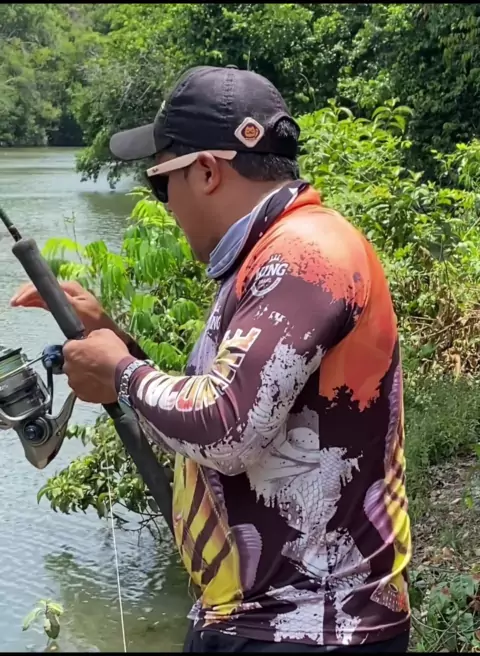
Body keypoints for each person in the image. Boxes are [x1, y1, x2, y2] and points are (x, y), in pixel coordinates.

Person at [11, 66, 412, 653]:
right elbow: (208, 424)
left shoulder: (306, 255)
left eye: (160, 182)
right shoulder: (265, 257)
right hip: (261, 619)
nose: (166, 205)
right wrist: (114, 342)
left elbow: (226, 428)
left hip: (310, 628)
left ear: (205, 170)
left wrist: (121, 373)